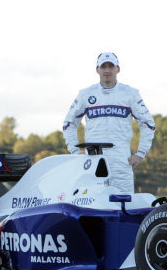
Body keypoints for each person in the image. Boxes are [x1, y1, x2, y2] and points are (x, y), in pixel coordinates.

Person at [61, 52, 156, 195]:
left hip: (121, 160)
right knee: (91, 204)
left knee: (123, 205)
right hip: (92, 160)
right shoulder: (85, 94)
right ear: (97, 70)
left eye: (111, 66)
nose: (107, 70)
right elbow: (69, 124)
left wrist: (141, 153)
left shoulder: (130, 94)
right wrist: (75, 152)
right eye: (103, 66)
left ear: (118, 69)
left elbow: (148, 124)